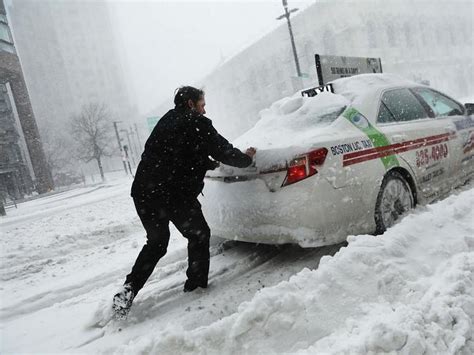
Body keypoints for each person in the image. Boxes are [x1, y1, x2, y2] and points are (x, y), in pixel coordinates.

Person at [112, 86, 256, 318]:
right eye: (202, 104)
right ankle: (196, 285)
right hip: (173, 194)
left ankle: (128, 289)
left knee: (157, 243)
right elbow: (223, 150)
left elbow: (177, 154)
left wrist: (206, 164)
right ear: (190, 103)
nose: (204, 109)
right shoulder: (197, 122)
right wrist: (246, 159)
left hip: (144, 192)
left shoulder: (166, 120)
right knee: (199, 234)